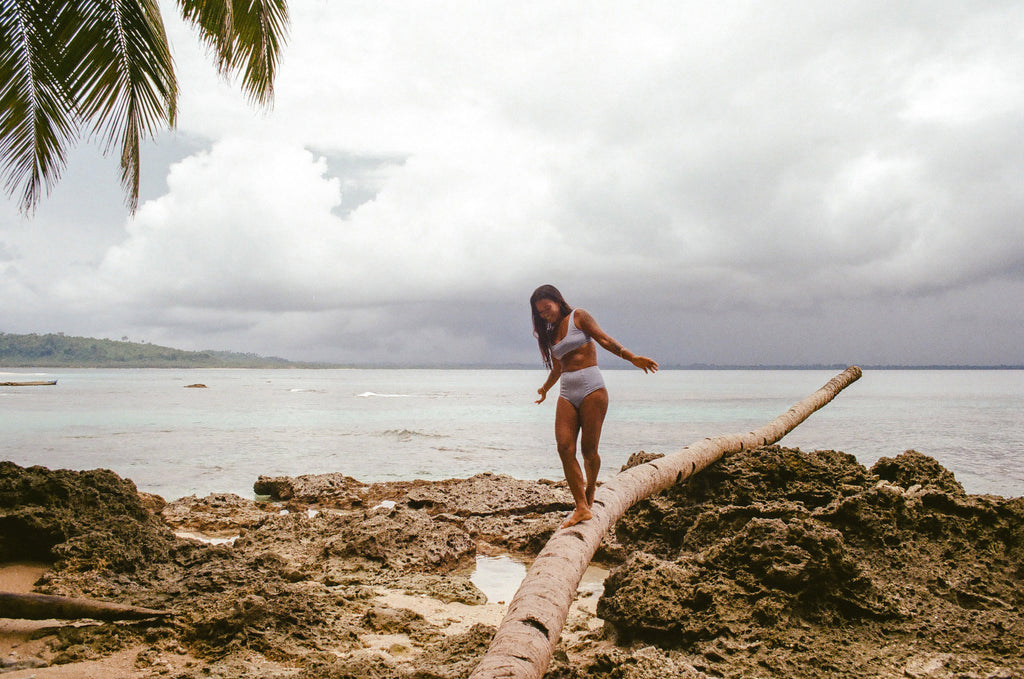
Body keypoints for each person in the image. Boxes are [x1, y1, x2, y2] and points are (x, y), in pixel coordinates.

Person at [530, 285, 658, 528]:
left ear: (557, 301)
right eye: (541, 313)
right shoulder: (551, 333)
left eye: (547, 308)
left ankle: (590, 489)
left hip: (592, 388)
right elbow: (558, 367)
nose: (546, 315)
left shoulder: (579, 316)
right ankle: (581, 507)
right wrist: (545, 388)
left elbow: (604, 339)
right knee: (564, 447)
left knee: (589, 451)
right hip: (567, 391)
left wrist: (632, 358)